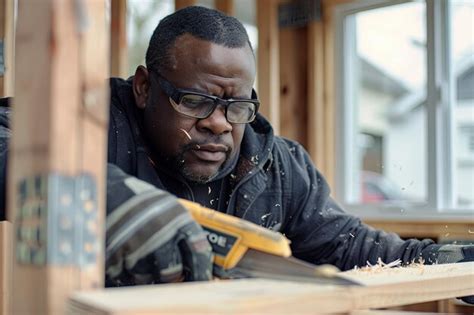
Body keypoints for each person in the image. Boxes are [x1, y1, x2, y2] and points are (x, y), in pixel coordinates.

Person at [0, 6, 472, 301]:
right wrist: (99, 195)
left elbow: (358, 251)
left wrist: (461, 264)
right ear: (144, 88)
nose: (219, 123)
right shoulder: (89, 120)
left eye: (237, 106)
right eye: (195, 101)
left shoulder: (279, 166)